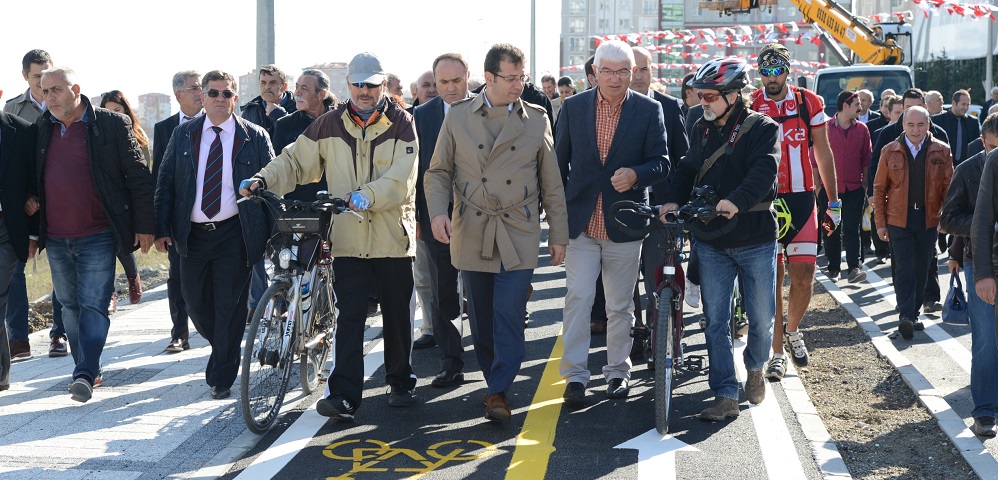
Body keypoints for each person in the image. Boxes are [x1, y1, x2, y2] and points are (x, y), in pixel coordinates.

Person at [244, 52, 419, 420]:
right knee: (349, 315)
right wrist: (263, 178)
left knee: (398, 317)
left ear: (383, 84)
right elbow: (294, 161)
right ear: (348, 85)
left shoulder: (402, 122)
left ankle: (400, 380)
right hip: (348, 237)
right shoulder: (328, 124)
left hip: (391, 237)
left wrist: (365, 196)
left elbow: (402, 179)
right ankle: (343, 395)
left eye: (372, 84)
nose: (364, 90)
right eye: (358, 83)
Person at [424, 43, 568, 422]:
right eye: (511, 78)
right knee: (482, 318)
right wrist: (439, 213)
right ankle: (494, 385)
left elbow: (551, 183)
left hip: (518, 228)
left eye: (522, 77)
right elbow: (438, 172)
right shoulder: (457, 117)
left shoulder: (537, 117)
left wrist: (558, 234)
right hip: (471, 226)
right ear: (488, 78)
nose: (519, 84)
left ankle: (499, 389)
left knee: (509, 312)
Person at [660, 57, 780, 420]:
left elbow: (765, 171)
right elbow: (687, 168)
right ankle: (725, 393)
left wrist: (737, 200)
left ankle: (756, 367)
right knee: (715, 321)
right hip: (711, 238)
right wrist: (672, 199)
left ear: (733, 95)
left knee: (761, 318)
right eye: (700, 95)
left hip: (755, 237)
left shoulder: (763, 127)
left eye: (710, 96)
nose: (703, 102)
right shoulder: (700, 125)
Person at [556, 40, 669, 406]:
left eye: (623, 71)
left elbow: (662, 162)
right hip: (582, 223)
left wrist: (636, 175)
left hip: (625, 223)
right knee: (579, 299)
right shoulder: (572, 108)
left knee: (620, 305)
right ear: (594, 73)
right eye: (607, 71)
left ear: (633, 73)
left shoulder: (649, 109)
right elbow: (557, 164)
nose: (616, 78)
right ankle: (575, 376)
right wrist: (555, 219)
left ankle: (618, 373)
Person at [35, 67, 155, 402]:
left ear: (75, 88)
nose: (50, 98)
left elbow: (138, 175)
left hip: (98, 233)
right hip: (57, 237)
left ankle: (84, 372)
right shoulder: (43, 127)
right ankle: (89, 367)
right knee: (70, 306)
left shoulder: (111, 124)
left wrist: (145, 225)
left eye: (56, 90)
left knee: (93, 304)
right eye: (45, 92)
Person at [154, 70, 273, 400]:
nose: (220, 98)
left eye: (226, 93)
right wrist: (162, 228)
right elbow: (166, 183)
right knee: (196, 303)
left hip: (235, 234)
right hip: (191, 236)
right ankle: (223, 344)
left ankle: (221, 374)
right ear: (202, 97)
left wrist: (270, 235)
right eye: (213, 92)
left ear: (235, 98)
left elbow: (273, 186)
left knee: (229, 307)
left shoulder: (255, 136)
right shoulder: (183, 135)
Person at [751, 43, 839, 379]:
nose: (771, 78)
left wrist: (834, 202)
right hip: (766, 202)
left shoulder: (808, 101)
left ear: (787, 70)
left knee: (804, 278)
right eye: (765, 71)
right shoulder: (752, 104)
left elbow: (824, 154)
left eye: (777, 71)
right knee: (773, 280)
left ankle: (791, 329)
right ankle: (776, 354)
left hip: (802, 200)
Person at [413, 53, 473, 388]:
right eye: (443, 82)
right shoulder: (420, 116)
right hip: (437, 219)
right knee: (443, 294)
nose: (450, 89)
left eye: (456, 81)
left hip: (482, 219)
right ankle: (451, 361)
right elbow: (417, 171)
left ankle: (491, 358)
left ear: (469, 76)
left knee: (481, 294)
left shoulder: (488, 110)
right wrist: (421, 217)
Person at [3, 49, 67, 360]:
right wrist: (25, 197)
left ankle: (59, 334)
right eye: (36, 76)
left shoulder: (68, 102)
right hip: (25, 205)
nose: (43, 83)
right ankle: (18, 339)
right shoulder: (12, 110)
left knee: (60, 268)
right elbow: (13, 166)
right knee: (14, 269)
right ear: (25, 77)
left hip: (60, 200)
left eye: (47, 75)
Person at [872, 106, 953, 339]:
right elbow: (879, 189)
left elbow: (949, 189)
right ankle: (905, 315)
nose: (915, 130)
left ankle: (913, 313)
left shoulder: (942, 150)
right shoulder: (890, 150)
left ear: (928, 125)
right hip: (899, 218)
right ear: (903, 125)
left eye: (920, 124)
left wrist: (945, 219)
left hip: (928, 219)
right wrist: (880, 223)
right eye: (910, 124)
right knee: (905, 267)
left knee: (922, 268)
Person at [941, 112, 998, 438]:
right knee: (986, 339)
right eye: (991, 148)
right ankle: (985, 409)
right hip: (980, 261)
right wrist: (984, 226)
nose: (995, 155)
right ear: (982, 142)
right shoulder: (968, 170)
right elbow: (948, 219)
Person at [629, 46, 691, 325]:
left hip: (664, 208)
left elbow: (684, 160)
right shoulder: (615, 105)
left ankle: (659, 333)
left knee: (659, 276)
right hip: (627, 206)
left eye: (644, 69)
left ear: (653, 71)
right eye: (633, 69)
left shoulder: (669, 106)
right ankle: (635, 331)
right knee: (625, 278)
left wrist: (681, 203)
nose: (638, 75)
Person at [153, 70, 203, 353]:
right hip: (178, 219)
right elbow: (159, 177)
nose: (200, 93)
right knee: (177, 277)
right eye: (195, 88)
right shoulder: (165, 128)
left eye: (202, 87)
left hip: (214, 215)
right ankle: (179, 334)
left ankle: (213, 328)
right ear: (178, 95)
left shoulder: (217, 124)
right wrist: (159, 225)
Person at [0, 109, 39, 393]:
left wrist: (34, 231)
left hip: (7, 228)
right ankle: (2, 373)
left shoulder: (22, 130)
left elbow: (35, 182)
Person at [100, 90, 149, 307]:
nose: (113, 116)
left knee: (124, 246)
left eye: (117, 110)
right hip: (106, 201)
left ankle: (133, 278)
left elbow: (143, 174)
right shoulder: (97, 138)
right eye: (107, 111)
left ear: (126, 111)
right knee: (104, 247)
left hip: (128, 202)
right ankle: (108, 292)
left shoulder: (138, 136)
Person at [821, 91, 871, 283]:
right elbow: (815, 159)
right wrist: (818, 185)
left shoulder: (862, 130)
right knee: (830, 228)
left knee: (852, 228)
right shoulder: (825, 128)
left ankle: (854, 268)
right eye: (857, 104)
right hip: (829, 190)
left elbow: (866, 158)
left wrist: (865, 184)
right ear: (845, 105)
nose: (861, 107)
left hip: (854, 189)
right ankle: (833, 268)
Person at [271, 69, 337, 203]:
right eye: (296, 87)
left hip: (337, 204)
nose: (297, 93)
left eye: (304, 88)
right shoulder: (284, 124)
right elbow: (280, 167)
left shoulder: (341, 122)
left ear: (321, 94)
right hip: (299, 207)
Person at [239, 64, 296, 137]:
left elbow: (299, 139)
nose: (267, 87)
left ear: (283, 87)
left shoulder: (297, 109)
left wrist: (278, 115)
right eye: (263, 83)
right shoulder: (250, 111)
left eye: (273, 83)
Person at [933, 89, 981, 166]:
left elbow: (976, 145)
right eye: (963, 104)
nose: (966, 107)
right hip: (943, 165)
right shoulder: (937, 120)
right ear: (954, 103)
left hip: (966, 167)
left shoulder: (973, 122)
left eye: (968, 105)